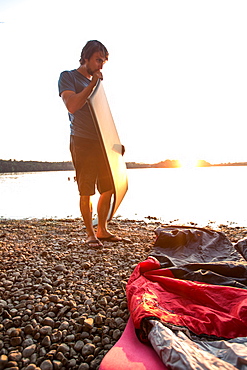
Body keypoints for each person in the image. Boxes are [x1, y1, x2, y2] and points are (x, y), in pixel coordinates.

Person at [58, 40, 122, 248]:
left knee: (109, 187)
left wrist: (115, 144)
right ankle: (89, 233)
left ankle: (102, 229)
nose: (101, 66)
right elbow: (73, 106)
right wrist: (93, 83)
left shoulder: (97, 85)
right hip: (82, 140)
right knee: (86, 190)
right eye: (97, 60)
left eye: (103, 61)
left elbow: (104, 116)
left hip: (102, 142)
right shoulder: (68, 77)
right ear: (85, 57)